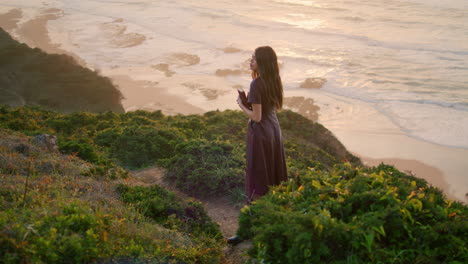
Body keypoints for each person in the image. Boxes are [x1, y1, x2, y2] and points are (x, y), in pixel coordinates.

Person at [228, 46, 288, 245]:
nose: (250, 60)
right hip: (274, 132)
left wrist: (242, 105)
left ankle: (247, 231)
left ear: (262, 61)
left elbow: (256, 116)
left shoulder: (256, 84)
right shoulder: (275, 80)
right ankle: (274, 224)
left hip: (261, 135)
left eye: (253, 58)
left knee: (256, 180)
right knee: (272, 177)